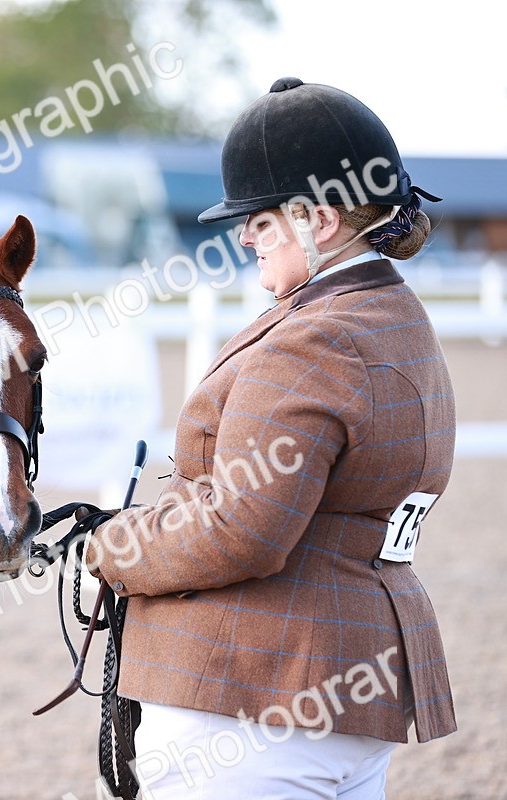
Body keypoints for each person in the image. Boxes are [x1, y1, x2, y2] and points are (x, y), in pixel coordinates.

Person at [85, 77, 456, 799]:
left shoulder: (311, 341)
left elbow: (241, 527)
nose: (245, 235)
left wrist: (109, 547)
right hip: (352, 689)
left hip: (252, 696)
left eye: (259, 219)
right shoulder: (398, 318)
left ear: (318, 220)